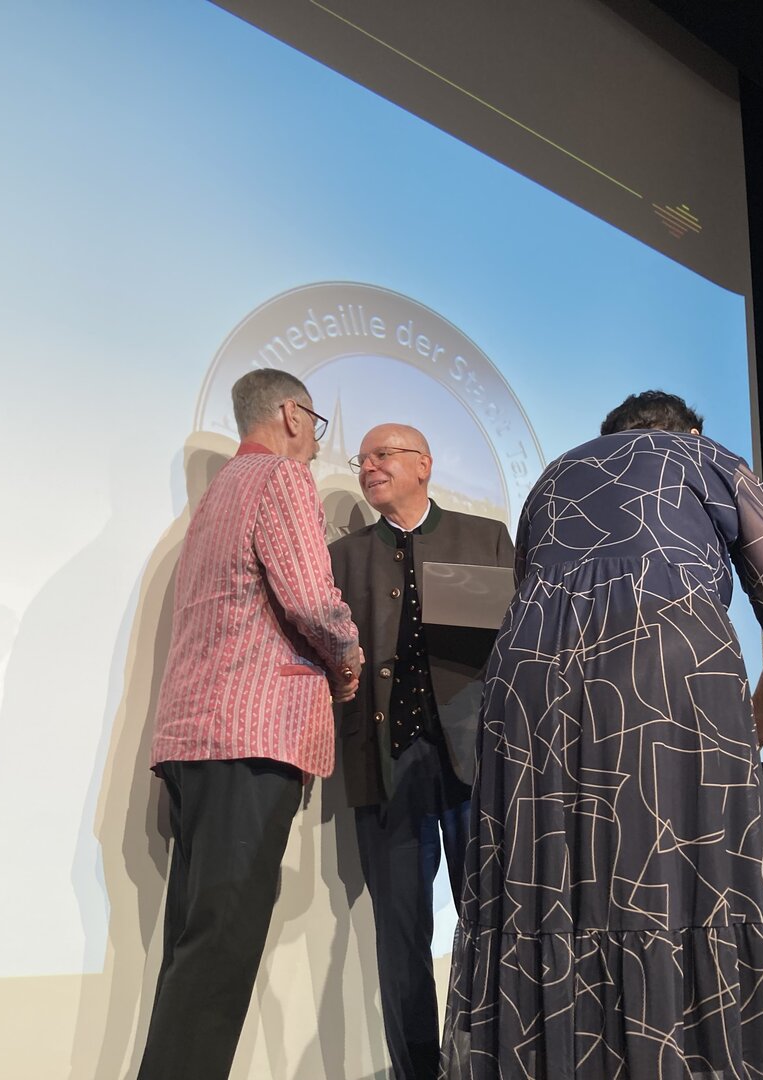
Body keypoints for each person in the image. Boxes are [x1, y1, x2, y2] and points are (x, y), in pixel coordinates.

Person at [443, 390, 763, 1079]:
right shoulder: (709, 460)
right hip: (666, 680)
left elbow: (527, 593)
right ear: (688, 433)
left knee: (544, 899)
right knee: (677, 894)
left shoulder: (553, 479)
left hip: (528, 696)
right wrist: (749, 730)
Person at [138, 368, 363, 1080]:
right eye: (316, 427)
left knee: (196, 946)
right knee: (221, 951)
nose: (317, 445)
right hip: (253, 735)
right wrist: (348, 658)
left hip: (194, 737)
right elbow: (313, 601)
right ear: (293, 416)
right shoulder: (282, 479)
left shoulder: (215, 497)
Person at [327, 424, 513, 1080]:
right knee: (401, 935)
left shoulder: (485, 539)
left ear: (423, 464)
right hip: (385, 761)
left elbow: (515, 648)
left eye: (383, 455)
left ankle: (492, 1062)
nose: (369, 467)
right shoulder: (343, 556)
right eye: (363, 459)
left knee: (489, 922)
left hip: (475, 763)